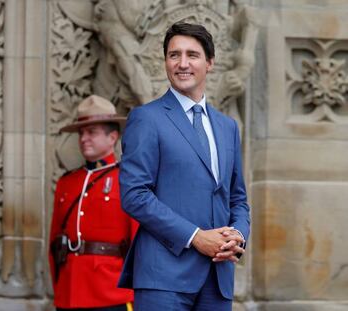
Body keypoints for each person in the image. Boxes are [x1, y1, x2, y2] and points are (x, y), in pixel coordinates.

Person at [118, 22, 251, 311]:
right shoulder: (146, 118)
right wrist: (196, 237)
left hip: (218, 279)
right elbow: (134, 195)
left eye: (192, 55)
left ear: (210, 63)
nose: (182, 64)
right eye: (174, 55)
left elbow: (237, 198)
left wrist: (238, 236)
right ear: (165, 61)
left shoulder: (228, 127)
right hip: (163, 277)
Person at [49, 95, 138, 311]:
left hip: (112, 293)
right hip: (69, 292)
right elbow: (54, 244)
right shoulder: (67, 183)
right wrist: (60, 286)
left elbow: (138, 243)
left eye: (92, 132)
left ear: (112, 137)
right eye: (81, 133)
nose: (84, 138)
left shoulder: (128, 180)